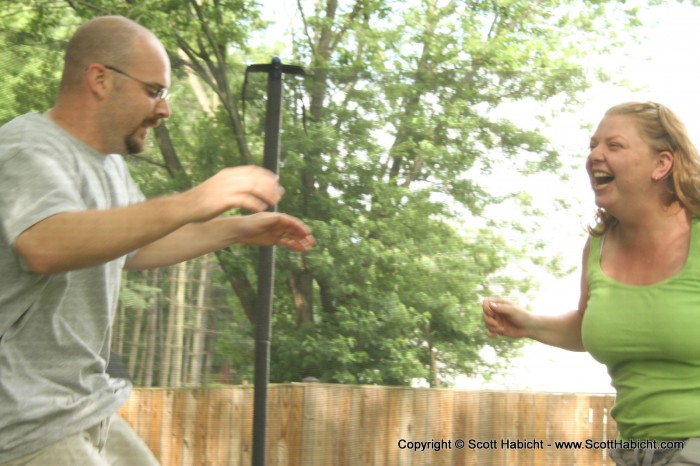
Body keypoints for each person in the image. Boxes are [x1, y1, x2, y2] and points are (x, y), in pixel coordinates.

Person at [0, 15, 315, 466]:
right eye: (155, 91)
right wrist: (192, 201)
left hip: (85, 405)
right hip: (24, 421)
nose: (164, 109)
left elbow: (133, 246)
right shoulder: (29, 150)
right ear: (100, 79)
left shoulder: (108, 165)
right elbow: (44, 245)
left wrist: (233, 229)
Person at [483, 101, 700, 466]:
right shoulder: (599, 247)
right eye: (593, 146)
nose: (595, 156)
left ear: (661, 164)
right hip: (633, 454)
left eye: (614, 146)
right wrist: (530, 324)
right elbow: (589, 328)